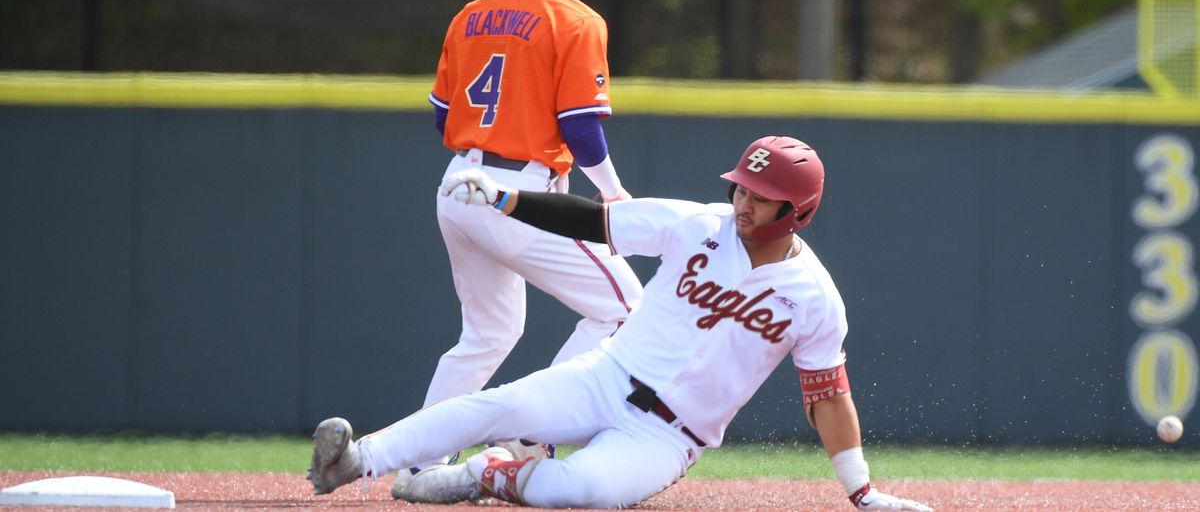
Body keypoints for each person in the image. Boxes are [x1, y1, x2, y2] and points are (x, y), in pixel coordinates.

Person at [308, 136, 933, 511]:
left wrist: (861, 491)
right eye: (741, 187)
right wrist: (506, 199)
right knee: (490, 405)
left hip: (668, 437)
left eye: (758, 195)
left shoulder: (815, 297)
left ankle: (483, 473)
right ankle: (354, 461)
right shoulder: (699, 223)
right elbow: (592, 220)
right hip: (606, 375)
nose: (742, 201)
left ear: (797, 210)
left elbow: (828, 397)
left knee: (577, 491)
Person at [404, 0, 643, 486]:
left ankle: (420, 460)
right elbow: (581, 125)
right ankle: (531, 433)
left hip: (459, 183)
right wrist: (612, 191)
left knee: (488, 333)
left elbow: (442, 113)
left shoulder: (471, 12)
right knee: (627, 310)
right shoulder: (577, 19)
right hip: (522, 193)